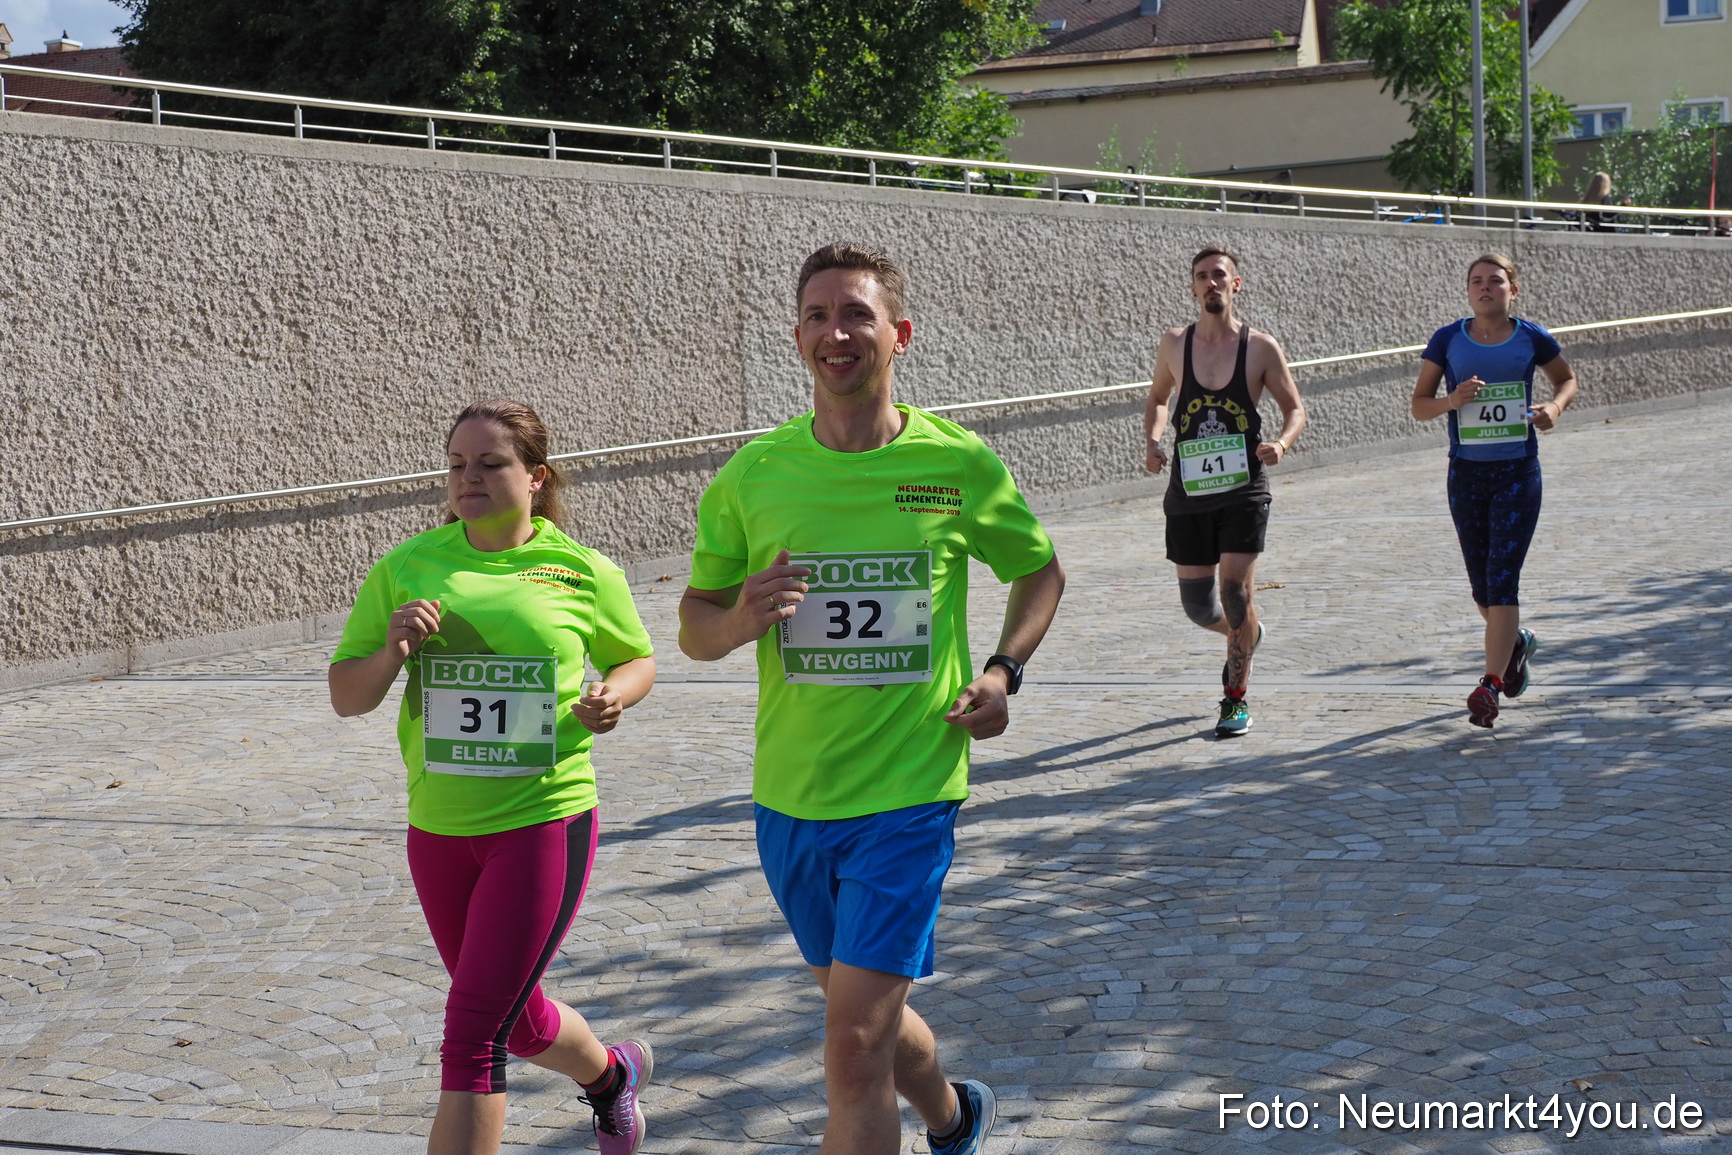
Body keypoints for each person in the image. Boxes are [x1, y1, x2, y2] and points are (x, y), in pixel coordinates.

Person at [677, 242, 1065, 1155]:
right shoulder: (755, 475)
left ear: (900, 333)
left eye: (855, 313)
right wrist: (742, 618)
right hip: (791, 799)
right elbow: (694, 625)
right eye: (817, 315)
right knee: (868, 1022)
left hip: (909, 790)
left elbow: (1039, 572)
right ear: (797, 336)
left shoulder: (953, 465)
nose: (836, 332)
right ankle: (956, 1114)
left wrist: (1003, 672)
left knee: (851, 1051)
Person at [328, 399, 658, 1155]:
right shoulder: (409, 564)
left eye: (490, 462)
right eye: (456, 463)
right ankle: (612, 1077)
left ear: (536, 477)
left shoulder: (580, 568)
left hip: (545, 819)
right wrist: (390, 652)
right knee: (517, 1017)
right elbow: (349, 696)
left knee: (473, 1030)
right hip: (439, 828)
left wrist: (614, 695)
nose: (467, 477)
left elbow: (636, 658)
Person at [1142, 246, 1306, 737]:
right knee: (1199, 607)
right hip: (1189, 492)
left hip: (1243, 489)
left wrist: (1281, 441)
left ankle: (1234, 699)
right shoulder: (1175, 344)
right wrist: (1152, 440)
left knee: (1235, 591)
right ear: (1192, 287)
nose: (1211, 283)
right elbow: (1157, 398)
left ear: (1237, 285)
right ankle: (1247, 632)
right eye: (1202, 277)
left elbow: (1295, 409)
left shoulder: (1260, 347)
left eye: (1220, 275)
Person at [1410, 254, 1578, 728]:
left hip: (1518, 473)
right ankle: (1516, 644)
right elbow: (1419, 406)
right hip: (1465, 474)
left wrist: (1555, 409)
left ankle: (1489, 685)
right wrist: (1452, 400)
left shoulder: (1531, 336)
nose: (1486, 288)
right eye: (1477, 282)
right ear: (1468, 291)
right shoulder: (1447, 339)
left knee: (1503, 579)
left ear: (1513, 290)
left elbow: (1566, 379)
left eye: (1496, 282)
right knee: (1482, 586)